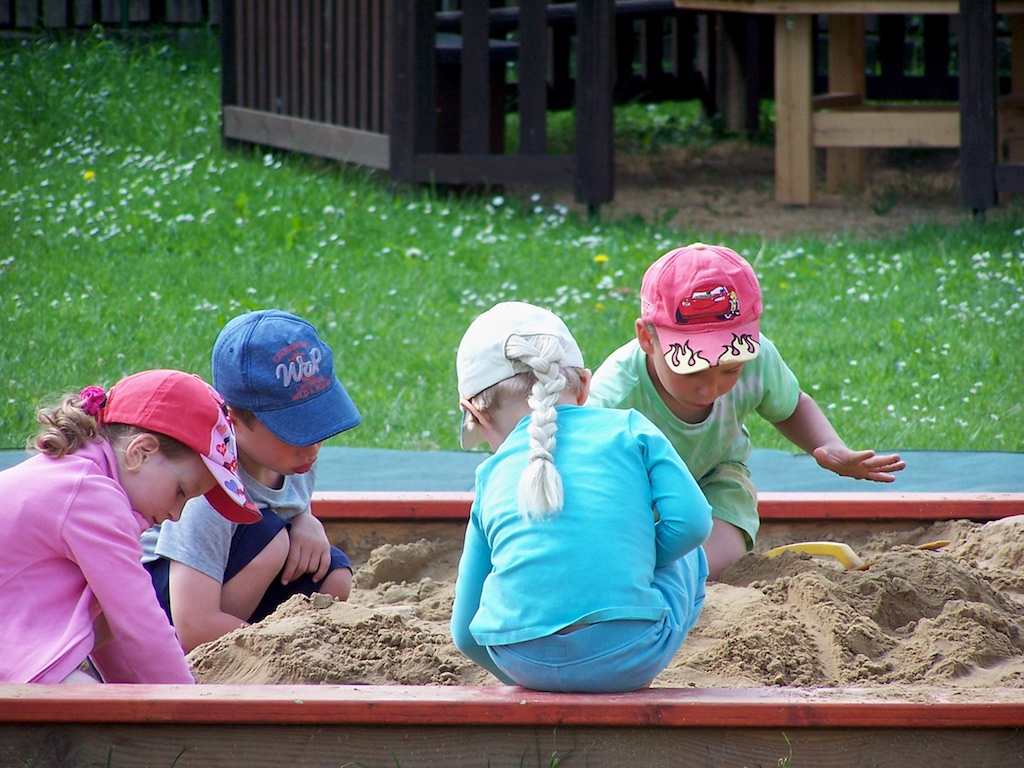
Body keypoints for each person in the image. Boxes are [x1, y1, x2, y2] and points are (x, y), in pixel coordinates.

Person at [588, 242, 906, 581]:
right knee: (620, 557)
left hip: (714, 476)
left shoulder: (756, 359)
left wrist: (829, 446)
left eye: (730, 370)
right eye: (692, 370)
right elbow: (581, 468)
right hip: (634, 492)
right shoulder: (614, 396)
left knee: (717, 562)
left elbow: (791, 405)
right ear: (647, 338)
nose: (711, 388)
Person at [449, 301, 712, 693]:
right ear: (585, 385)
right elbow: (694, 523)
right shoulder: (630, 429)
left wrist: (528, 681)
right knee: (691, 554)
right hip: (631, 654)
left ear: (475, 413)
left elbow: (465, 633)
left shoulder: (488, 476)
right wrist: (634, 557)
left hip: (523, 662)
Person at [0, 369, 260, 684]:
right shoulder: (91, 497)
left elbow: (114, 623)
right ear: (140, 453)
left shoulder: (79, 478)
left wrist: (136, 696)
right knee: (83, 710)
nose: (177, 515)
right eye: (181, 492)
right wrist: (185, 703)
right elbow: (139, 622)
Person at [142, 309, 362, 652]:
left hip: (237, 581)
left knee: (331, 573)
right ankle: (226, 651)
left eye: (318, 425)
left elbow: (288, 510)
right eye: (295, 430)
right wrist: (280, 649)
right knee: (272, 540)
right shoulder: (208, 489)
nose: (313, 445)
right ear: (232, 418)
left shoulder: (296, 459)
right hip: (166, 605)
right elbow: (192, 623)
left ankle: (247, 638)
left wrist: (305, 520)